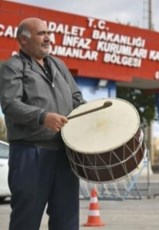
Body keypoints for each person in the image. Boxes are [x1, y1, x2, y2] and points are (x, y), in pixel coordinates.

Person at [0, 17, 85, 230]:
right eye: (41, 33)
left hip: (65, 155)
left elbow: (76, 99)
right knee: (26, 220)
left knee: (67, 220)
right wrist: (42, 117)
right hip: (31, 154)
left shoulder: (59, 64)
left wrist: (93, 117)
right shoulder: (12, 67)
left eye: (48, 32)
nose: (47, 37)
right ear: (23, 40)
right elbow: (10, 105)